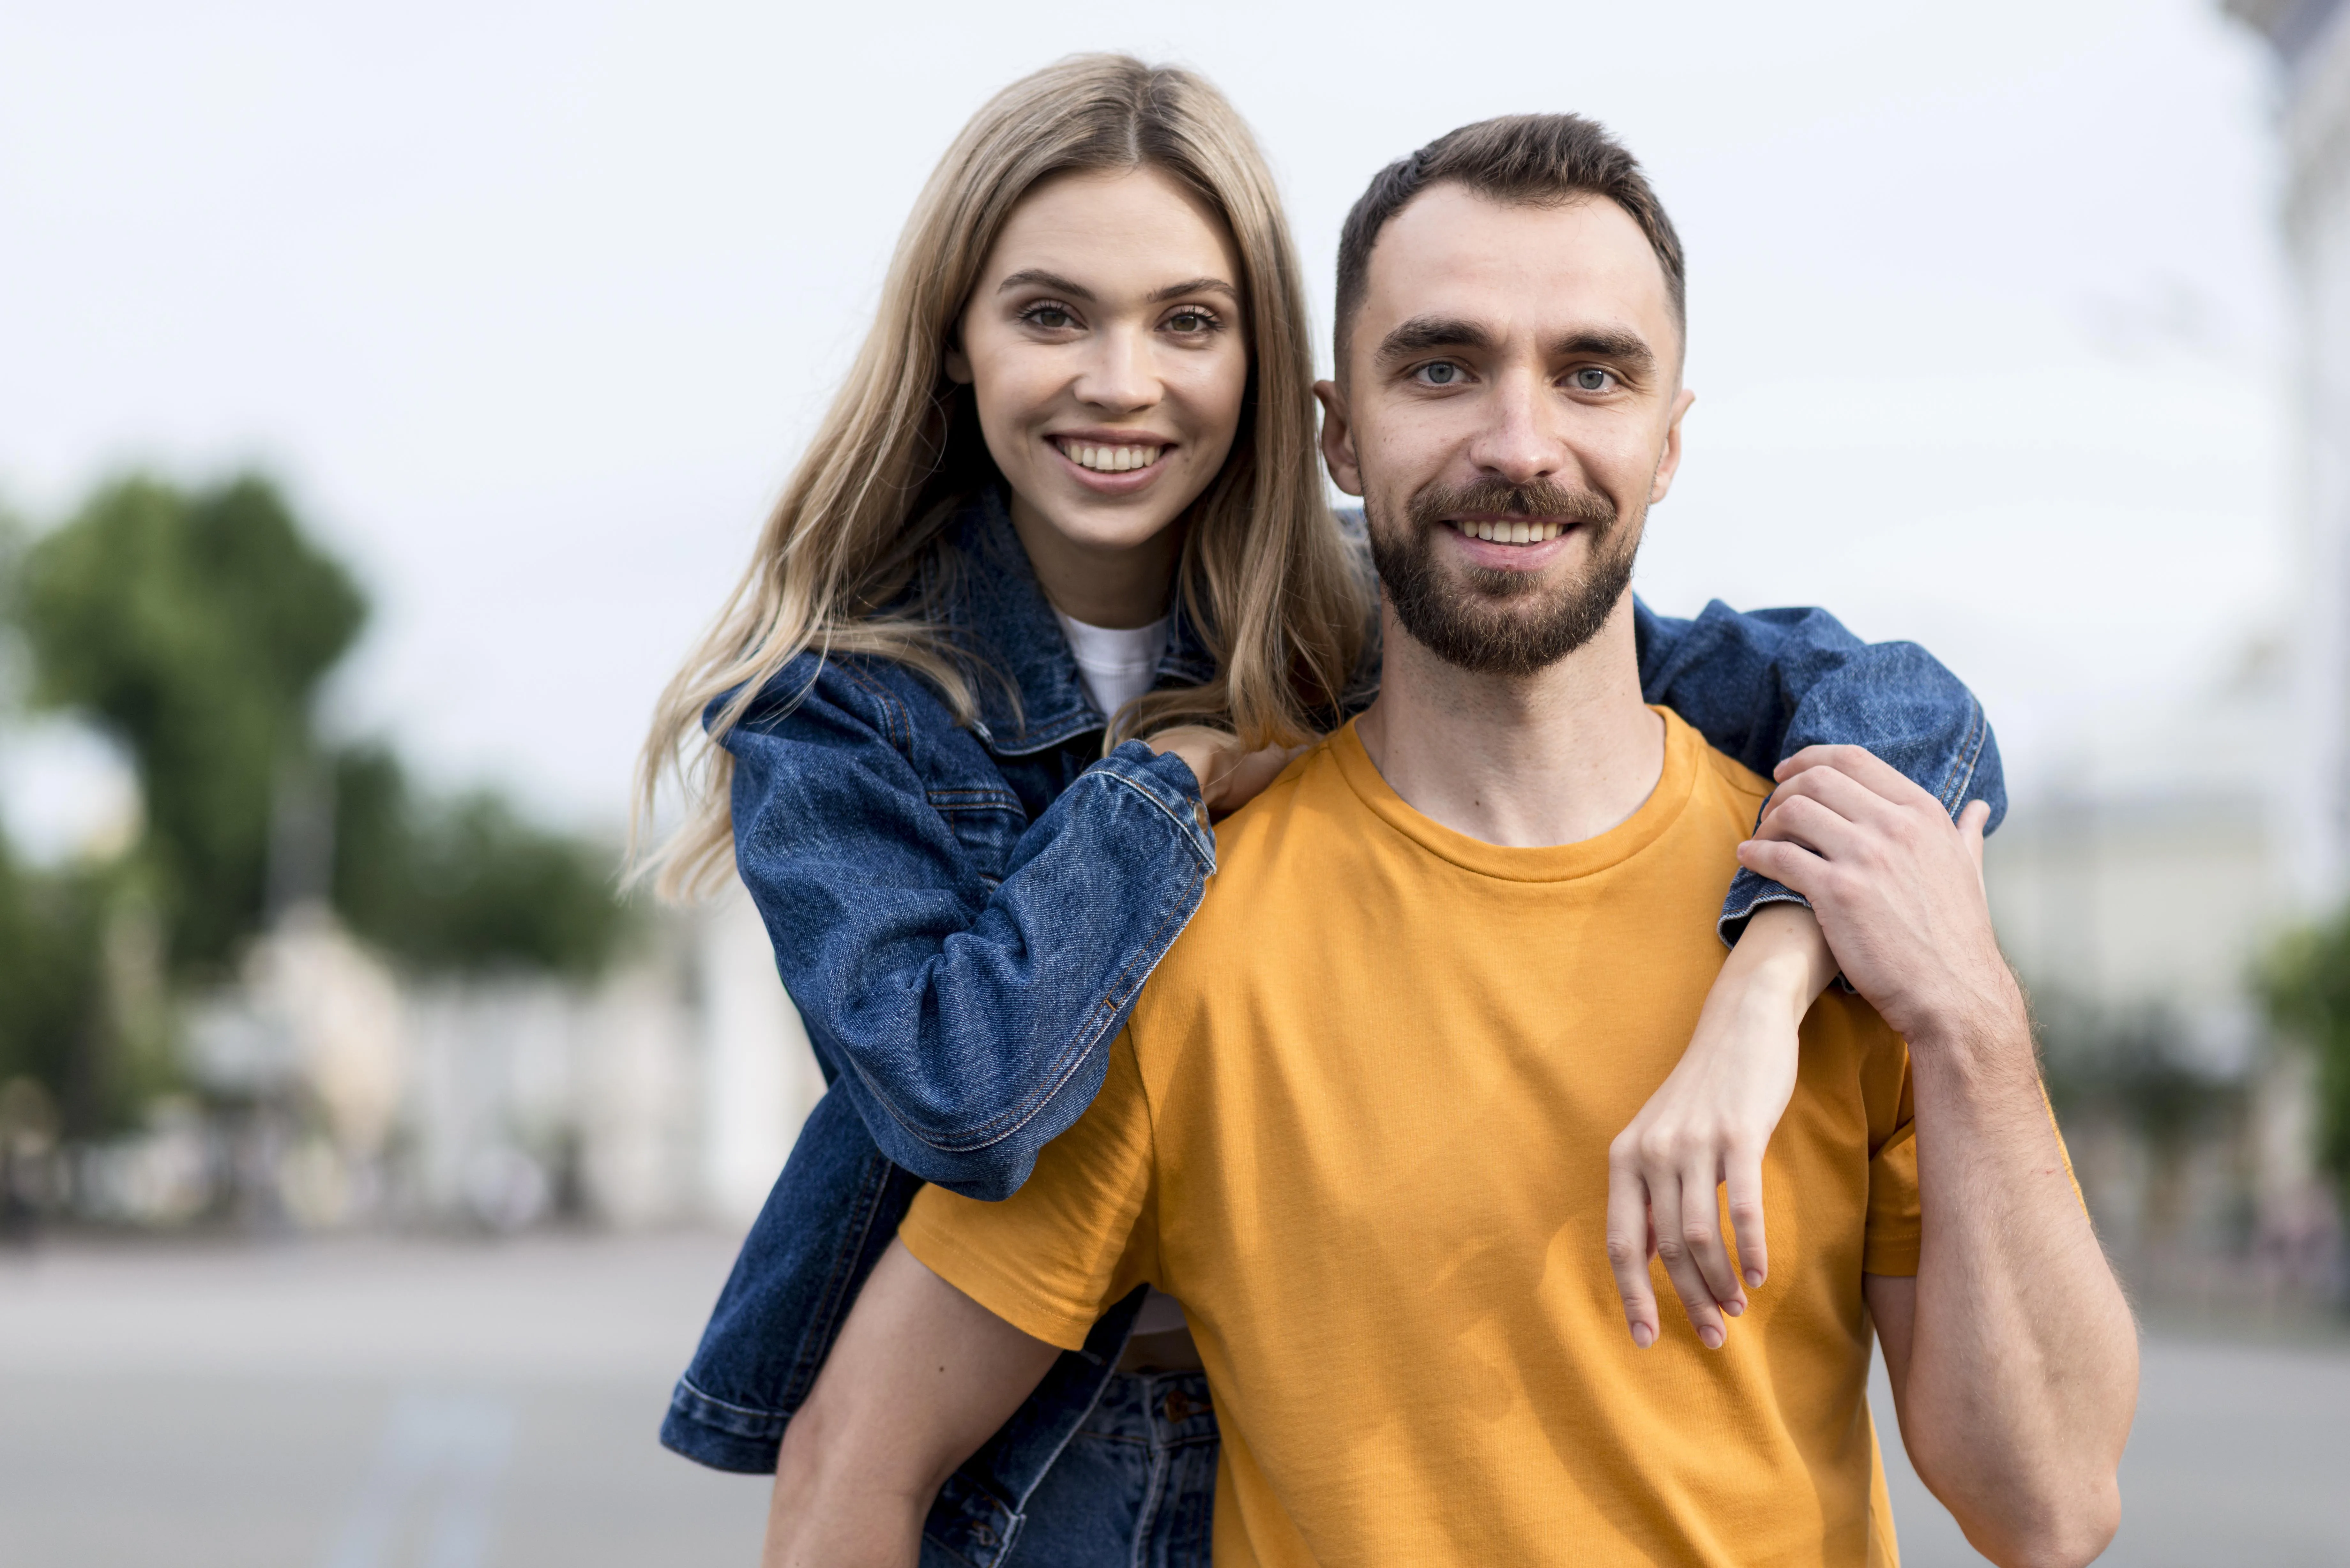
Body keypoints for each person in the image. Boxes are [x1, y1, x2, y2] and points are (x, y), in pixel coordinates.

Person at [637, 58, 2006, 1566]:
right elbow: (963, 1097)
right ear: (953, 343)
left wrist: (1767, 977)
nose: (1119, 378)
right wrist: (1162, 789)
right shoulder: (838, 713)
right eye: (1048, 314)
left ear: (1277, 373)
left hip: (1302, 1404)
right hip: (1036, 1464)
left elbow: (1901, 705)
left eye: (1189, 322)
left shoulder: (1374, 599)